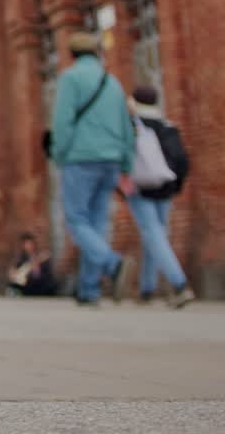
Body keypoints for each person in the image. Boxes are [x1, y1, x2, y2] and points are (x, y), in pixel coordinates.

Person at [50, 31, 136, 306]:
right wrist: (126, 164)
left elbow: (62, 122)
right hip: (111, 160)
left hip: (80, 158)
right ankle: (89, 289)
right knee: (98, 223)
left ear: (72, 55)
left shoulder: (71, 78)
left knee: (76, 220)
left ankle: (112, 264)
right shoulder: (112, 82)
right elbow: (126, 127)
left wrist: (58, 154)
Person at [126, 86, 196, 309]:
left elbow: (123, 156)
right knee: (156, 235)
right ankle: (147, 289)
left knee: (153, 235)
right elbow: (183, 162)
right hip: (165, 187)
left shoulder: (133, 127)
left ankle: (180, 285)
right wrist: (176, 186)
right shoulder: (168, 126)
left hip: (140, 188)